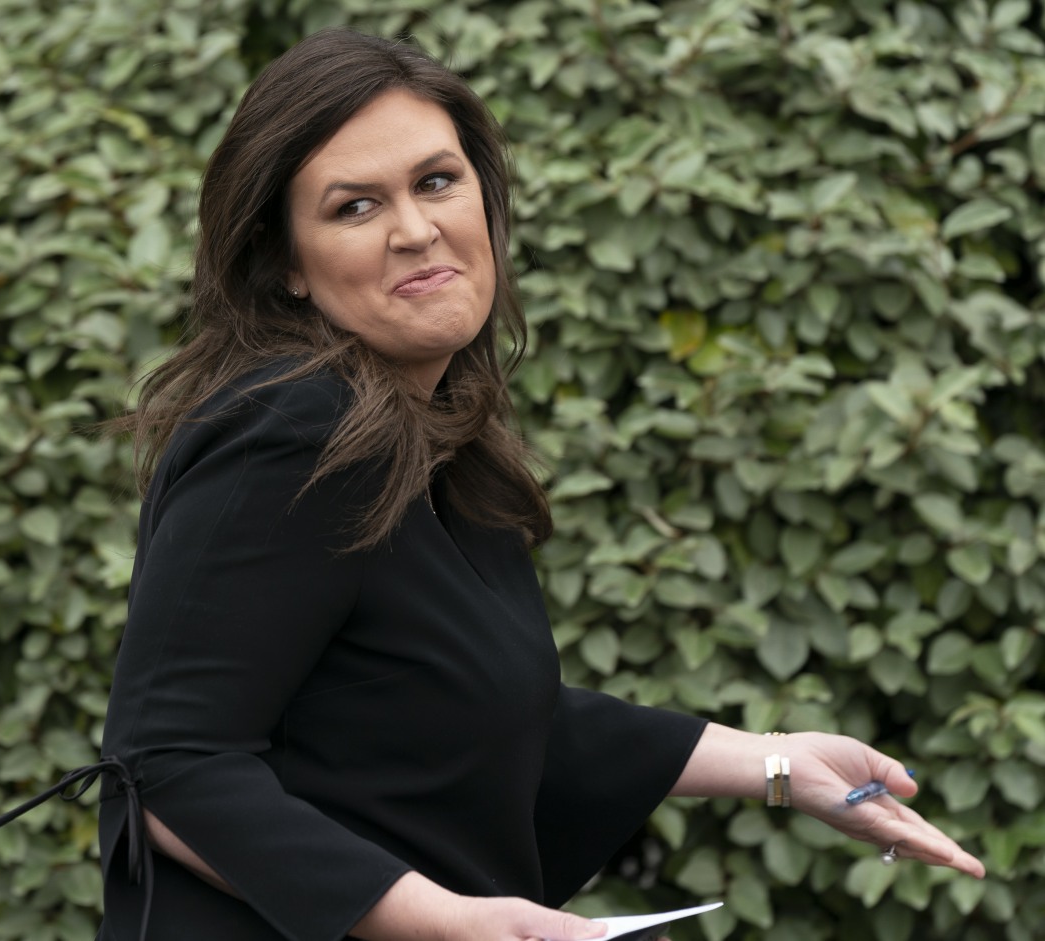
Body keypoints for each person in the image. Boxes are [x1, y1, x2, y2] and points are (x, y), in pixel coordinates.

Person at [90, 27, 984, 941]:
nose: (415, 229)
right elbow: (168, 763)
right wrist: (453, 921)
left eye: (437, 181)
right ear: (286, 263)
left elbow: (472, 709)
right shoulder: (289, 435)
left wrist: (778, 763)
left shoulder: (425, 433)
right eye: (355, 207)